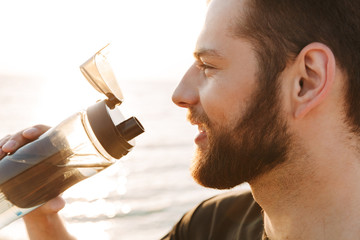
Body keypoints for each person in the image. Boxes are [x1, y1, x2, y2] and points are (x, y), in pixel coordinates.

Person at [1, 0, 360, 239]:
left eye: (208, 66)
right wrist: (40, 211)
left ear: (306, 81)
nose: (179, 94)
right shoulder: (213, 226)